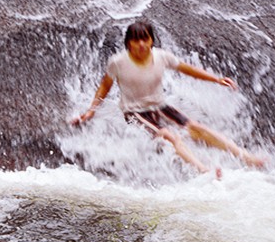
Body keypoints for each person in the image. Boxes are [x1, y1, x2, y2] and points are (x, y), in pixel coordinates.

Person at [69, 19, 265, 176]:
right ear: (128, 43)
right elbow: (105, 85)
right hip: (134, 112)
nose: (141, 44)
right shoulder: (118, 62)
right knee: (170, 136)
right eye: (136, 40)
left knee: (197, 128)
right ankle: (204, 170)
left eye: (145, 39)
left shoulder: (161, 56)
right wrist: (90, 111)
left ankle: (247, 158)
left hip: (160, 105)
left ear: (152, 40)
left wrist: (216, 79)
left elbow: (188, 69)